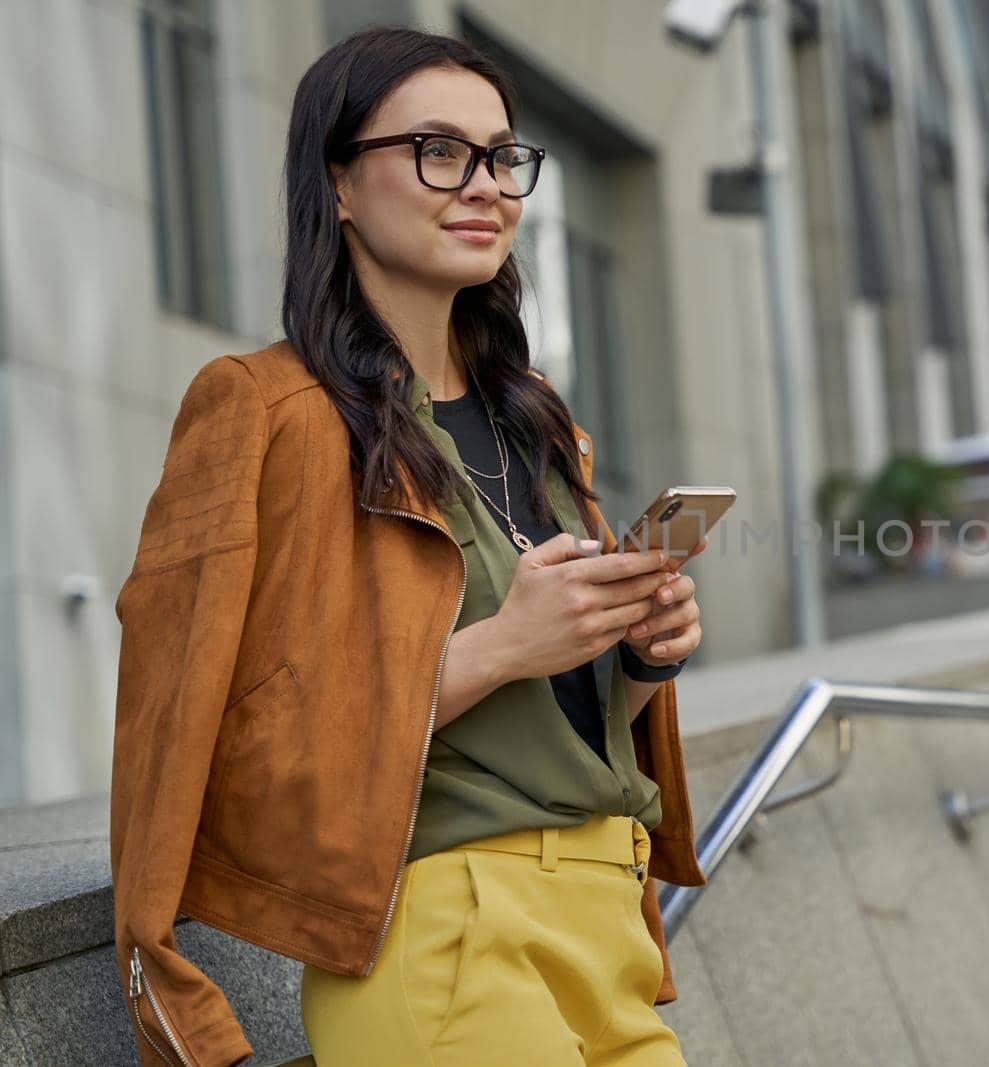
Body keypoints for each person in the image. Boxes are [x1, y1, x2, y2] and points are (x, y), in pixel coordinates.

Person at [109, 25, 708, 1067]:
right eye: (437, 149)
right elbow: (216, 733)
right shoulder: (264, 411)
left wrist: (636, 654)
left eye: (501, 155)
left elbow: (552, 723)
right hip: (445, 933)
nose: (483, 183)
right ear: (338, 181)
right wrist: (503, 644)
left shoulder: (540, 424)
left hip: (605, 925)